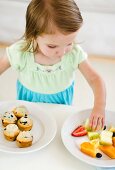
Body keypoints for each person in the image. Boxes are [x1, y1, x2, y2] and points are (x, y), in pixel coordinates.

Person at [0, 0, 106, 132]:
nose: (62, 52)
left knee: (58, 134)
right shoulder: (20, 52)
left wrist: (99, 107)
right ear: (33, 35)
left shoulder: (74, 53)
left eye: (69, 43)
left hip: (61, 107)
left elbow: (95, 79)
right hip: (29, 108)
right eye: (52, 46)